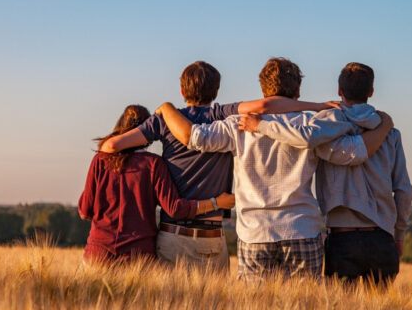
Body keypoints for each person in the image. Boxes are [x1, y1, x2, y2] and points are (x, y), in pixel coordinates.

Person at [156, 57, 394, 281]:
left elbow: (195, 138)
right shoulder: (312, 125)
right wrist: (384, 125)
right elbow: (352, 153)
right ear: (298, 92)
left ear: (263, 91)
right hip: (302, 229)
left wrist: (167, 109)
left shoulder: (237, 125)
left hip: (255, 233)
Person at [99, 61, 333, 270]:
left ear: (182, 91)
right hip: (212, 236)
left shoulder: (164, 120)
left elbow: (110, 147)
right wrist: (318, 106)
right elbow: (264, 106)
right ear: (216, 91)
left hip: (173, 234)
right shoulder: (221, 115)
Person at [240, 62, 412, 286]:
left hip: (343, 239)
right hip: (383, 238)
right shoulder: (390, 133)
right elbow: (403, 190)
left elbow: (303, 137)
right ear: (371, 92)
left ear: (340, 91)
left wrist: (261, 125)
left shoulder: (324, 128)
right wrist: (399, 234)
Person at [78, 104, 235, 265]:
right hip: (138, 257)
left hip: (98, 255)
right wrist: (216, 203)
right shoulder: (153, 164)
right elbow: (175, 209)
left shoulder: (100, 160)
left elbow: (85, 211)